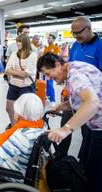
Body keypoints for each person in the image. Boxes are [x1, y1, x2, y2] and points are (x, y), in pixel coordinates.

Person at [37, 52, 102, 192]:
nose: (50, 79)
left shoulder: (75, 76)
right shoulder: (73, 68)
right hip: (94, 125)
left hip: (100, 127)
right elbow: (89, 95)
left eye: (49, 73)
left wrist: (65, 129)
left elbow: (93, 102)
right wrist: (66, 104)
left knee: (95, 171)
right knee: (86, 163)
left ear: (57, 64)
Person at [58, 16, 102, 156]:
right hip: (73, 97)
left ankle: (84, 162)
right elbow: (69, 69)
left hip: (90, 100)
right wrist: (66, 88)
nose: (76, 36)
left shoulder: (100, 46)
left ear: (89, 29)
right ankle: (60, 158)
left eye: (78, 32)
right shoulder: (76, 45)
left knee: (87, 133)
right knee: (65, 124)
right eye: (73, 33)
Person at [5, 34, 37, 128]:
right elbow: (7, 70)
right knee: (9, 108)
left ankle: (23, 127)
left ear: (25, 42)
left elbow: (27, 74)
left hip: (26, 86)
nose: (18, 43)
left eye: (20, 41)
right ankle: (14, 126)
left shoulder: (33, 55)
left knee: (23, 111)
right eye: (17, 41)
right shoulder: (14, 54)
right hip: (13, 85)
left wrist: (14, 72)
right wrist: (20, 73)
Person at [43, 34, 60, 107]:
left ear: (53, 40)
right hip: (44, 68)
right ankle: (47, 98)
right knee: (44, 84)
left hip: (51, 68)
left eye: (50, 38)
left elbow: (56, 58)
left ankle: (53, 100)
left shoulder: (56, 48)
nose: (48, 39)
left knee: (50, 84)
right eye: (48, 38)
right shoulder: (46, 48)